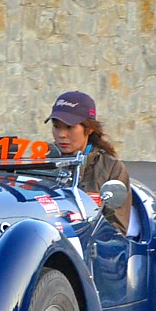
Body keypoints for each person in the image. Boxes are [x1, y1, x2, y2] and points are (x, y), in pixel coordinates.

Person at [45, 90, 133, 236]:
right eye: (56, 126)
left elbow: (117, 232)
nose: (61, 134)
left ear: (90, 128)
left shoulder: (112, 168)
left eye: (69, 127)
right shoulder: (41, 162)